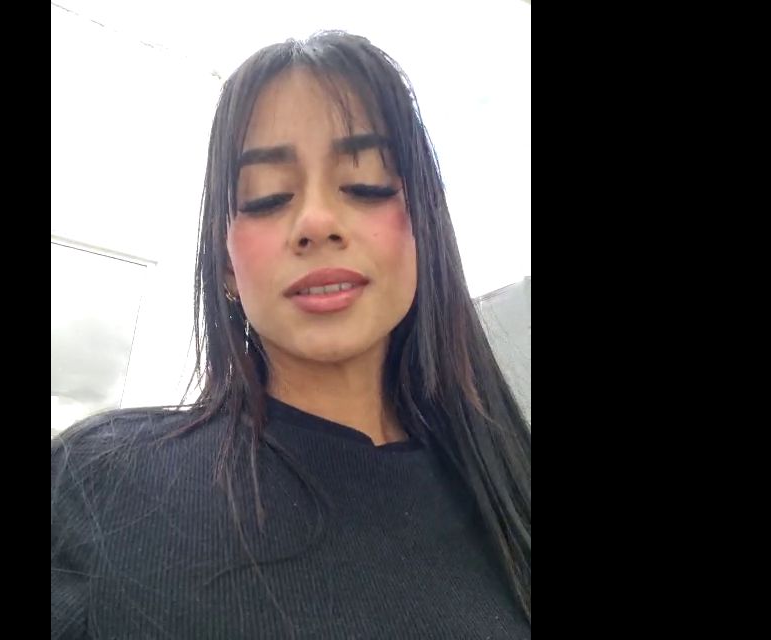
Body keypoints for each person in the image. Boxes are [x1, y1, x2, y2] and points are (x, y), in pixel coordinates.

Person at [52, 31, 531, 639]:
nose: (316, 221)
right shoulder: (101, 486)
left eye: (365, 183)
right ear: (227, 266)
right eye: (268, 196)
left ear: (423, 231)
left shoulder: (508, 488)